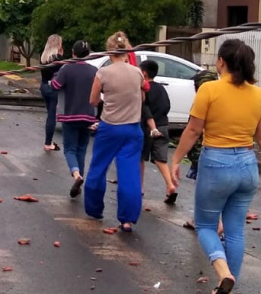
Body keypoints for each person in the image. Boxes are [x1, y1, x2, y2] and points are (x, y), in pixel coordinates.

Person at [170, 39, 261, 294]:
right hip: (247, 164)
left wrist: (176, 159)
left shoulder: (209, 90)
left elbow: (193, 130)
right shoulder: (260, 95)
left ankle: (222, 273)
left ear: (221, 62)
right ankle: (228, 285)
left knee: (206, 226)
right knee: (235, 232)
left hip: (217, 163)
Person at [85, 32, 144, 228]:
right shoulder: (137, 73)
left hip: (110, 127)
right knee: (129, 174)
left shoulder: (103, 73)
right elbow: (142, 98)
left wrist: (106, 98)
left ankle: (94, 210)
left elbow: (93, 100)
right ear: (127, 51)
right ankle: (127, 219)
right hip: (133, 129)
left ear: (110, 52)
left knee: (98, 168)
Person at [51, 40, 98, 198]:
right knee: (82, 150)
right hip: (88, 116)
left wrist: (55, 76)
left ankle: (77, 176)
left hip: (70, 115)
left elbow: (55, 86)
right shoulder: (94, 71)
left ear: (73, 53)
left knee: (69, 149)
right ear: (88, 54)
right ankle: (79, 183)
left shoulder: (67, 69)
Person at [139, 59, 176, 204]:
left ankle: (140, 187)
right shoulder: (161, 88)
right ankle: (170, 185)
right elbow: (167, 105)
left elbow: (143, 107)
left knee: (140, 158)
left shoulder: (145, 89)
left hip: (147, 128)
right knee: (160, 159)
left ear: (144, 73)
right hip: (163, 125)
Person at [39, 34, 64, 151]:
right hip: (53, 88)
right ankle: (48, 142)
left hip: (44, 86)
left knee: (50, 113)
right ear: (58, 44)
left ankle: (49, 140)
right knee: (52, 116)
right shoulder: (57, 59)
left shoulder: (43, 57)